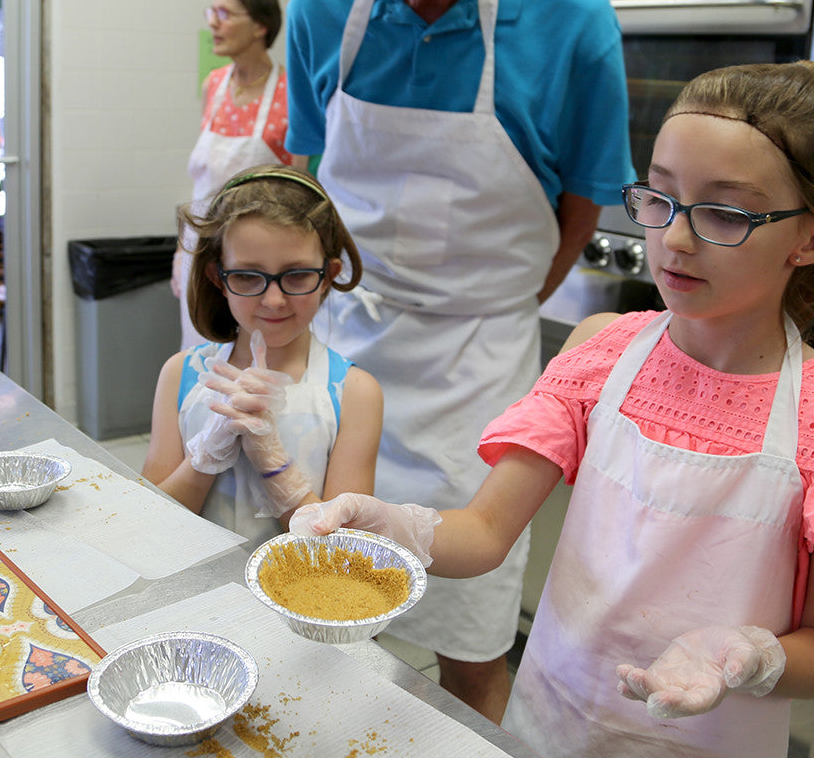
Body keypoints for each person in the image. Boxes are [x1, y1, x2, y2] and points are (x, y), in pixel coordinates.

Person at [292, 61, 814, 757]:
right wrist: (389, 527)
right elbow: (482, 532)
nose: (676, 239)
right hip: (553, 719)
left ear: (806, 237)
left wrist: (747, 655)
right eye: (659, 198)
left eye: (724, 213)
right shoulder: (605, 351)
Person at [283, 0, 633, 718]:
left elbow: (577, 211)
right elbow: (308, 183)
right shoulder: (321, 7)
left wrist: (492, 300)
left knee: (470, 640)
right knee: (318, 602)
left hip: (481, 379)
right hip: (341, 356)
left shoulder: (570, 19)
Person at [143, 164, 383, 547]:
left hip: (299, 598)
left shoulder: (355, 393)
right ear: (218, 278)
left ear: (329, 274)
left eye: (298, 275)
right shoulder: (181, 374)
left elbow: (344, 549)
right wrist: (204, 458)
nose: (274, 299)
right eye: (248, 277)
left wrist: (276, 466)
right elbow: (149, 524)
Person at [173, 0, 304, 349]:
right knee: (200, 354)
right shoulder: (212, 86)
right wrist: (181, 250)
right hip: (200, 249)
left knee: (255, 359)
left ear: (260, 25)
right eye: (212, 11)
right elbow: (203, 185)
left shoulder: (291, 91)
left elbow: (298, 188)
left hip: (260, 264)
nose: (213, 22)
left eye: (225, 13)